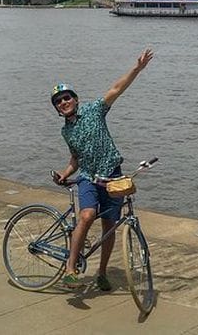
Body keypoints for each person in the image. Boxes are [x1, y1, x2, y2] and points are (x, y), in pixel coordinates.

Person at [52, 48, 154, 291]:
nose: (64, 102)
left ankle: (102, 272)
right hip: (88, 178)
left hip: (113, 177)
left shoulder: (94, 110)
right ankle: (70, 269)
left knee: (109, 227)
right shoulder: (66, 131)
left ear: (75, 100)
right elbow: (75, 158)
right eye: (58, 101)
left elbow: (116, 89)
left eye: (67, 98)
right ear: (57, 109)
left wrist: (137, 68)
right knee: (87, 216)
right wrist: (65, 174)